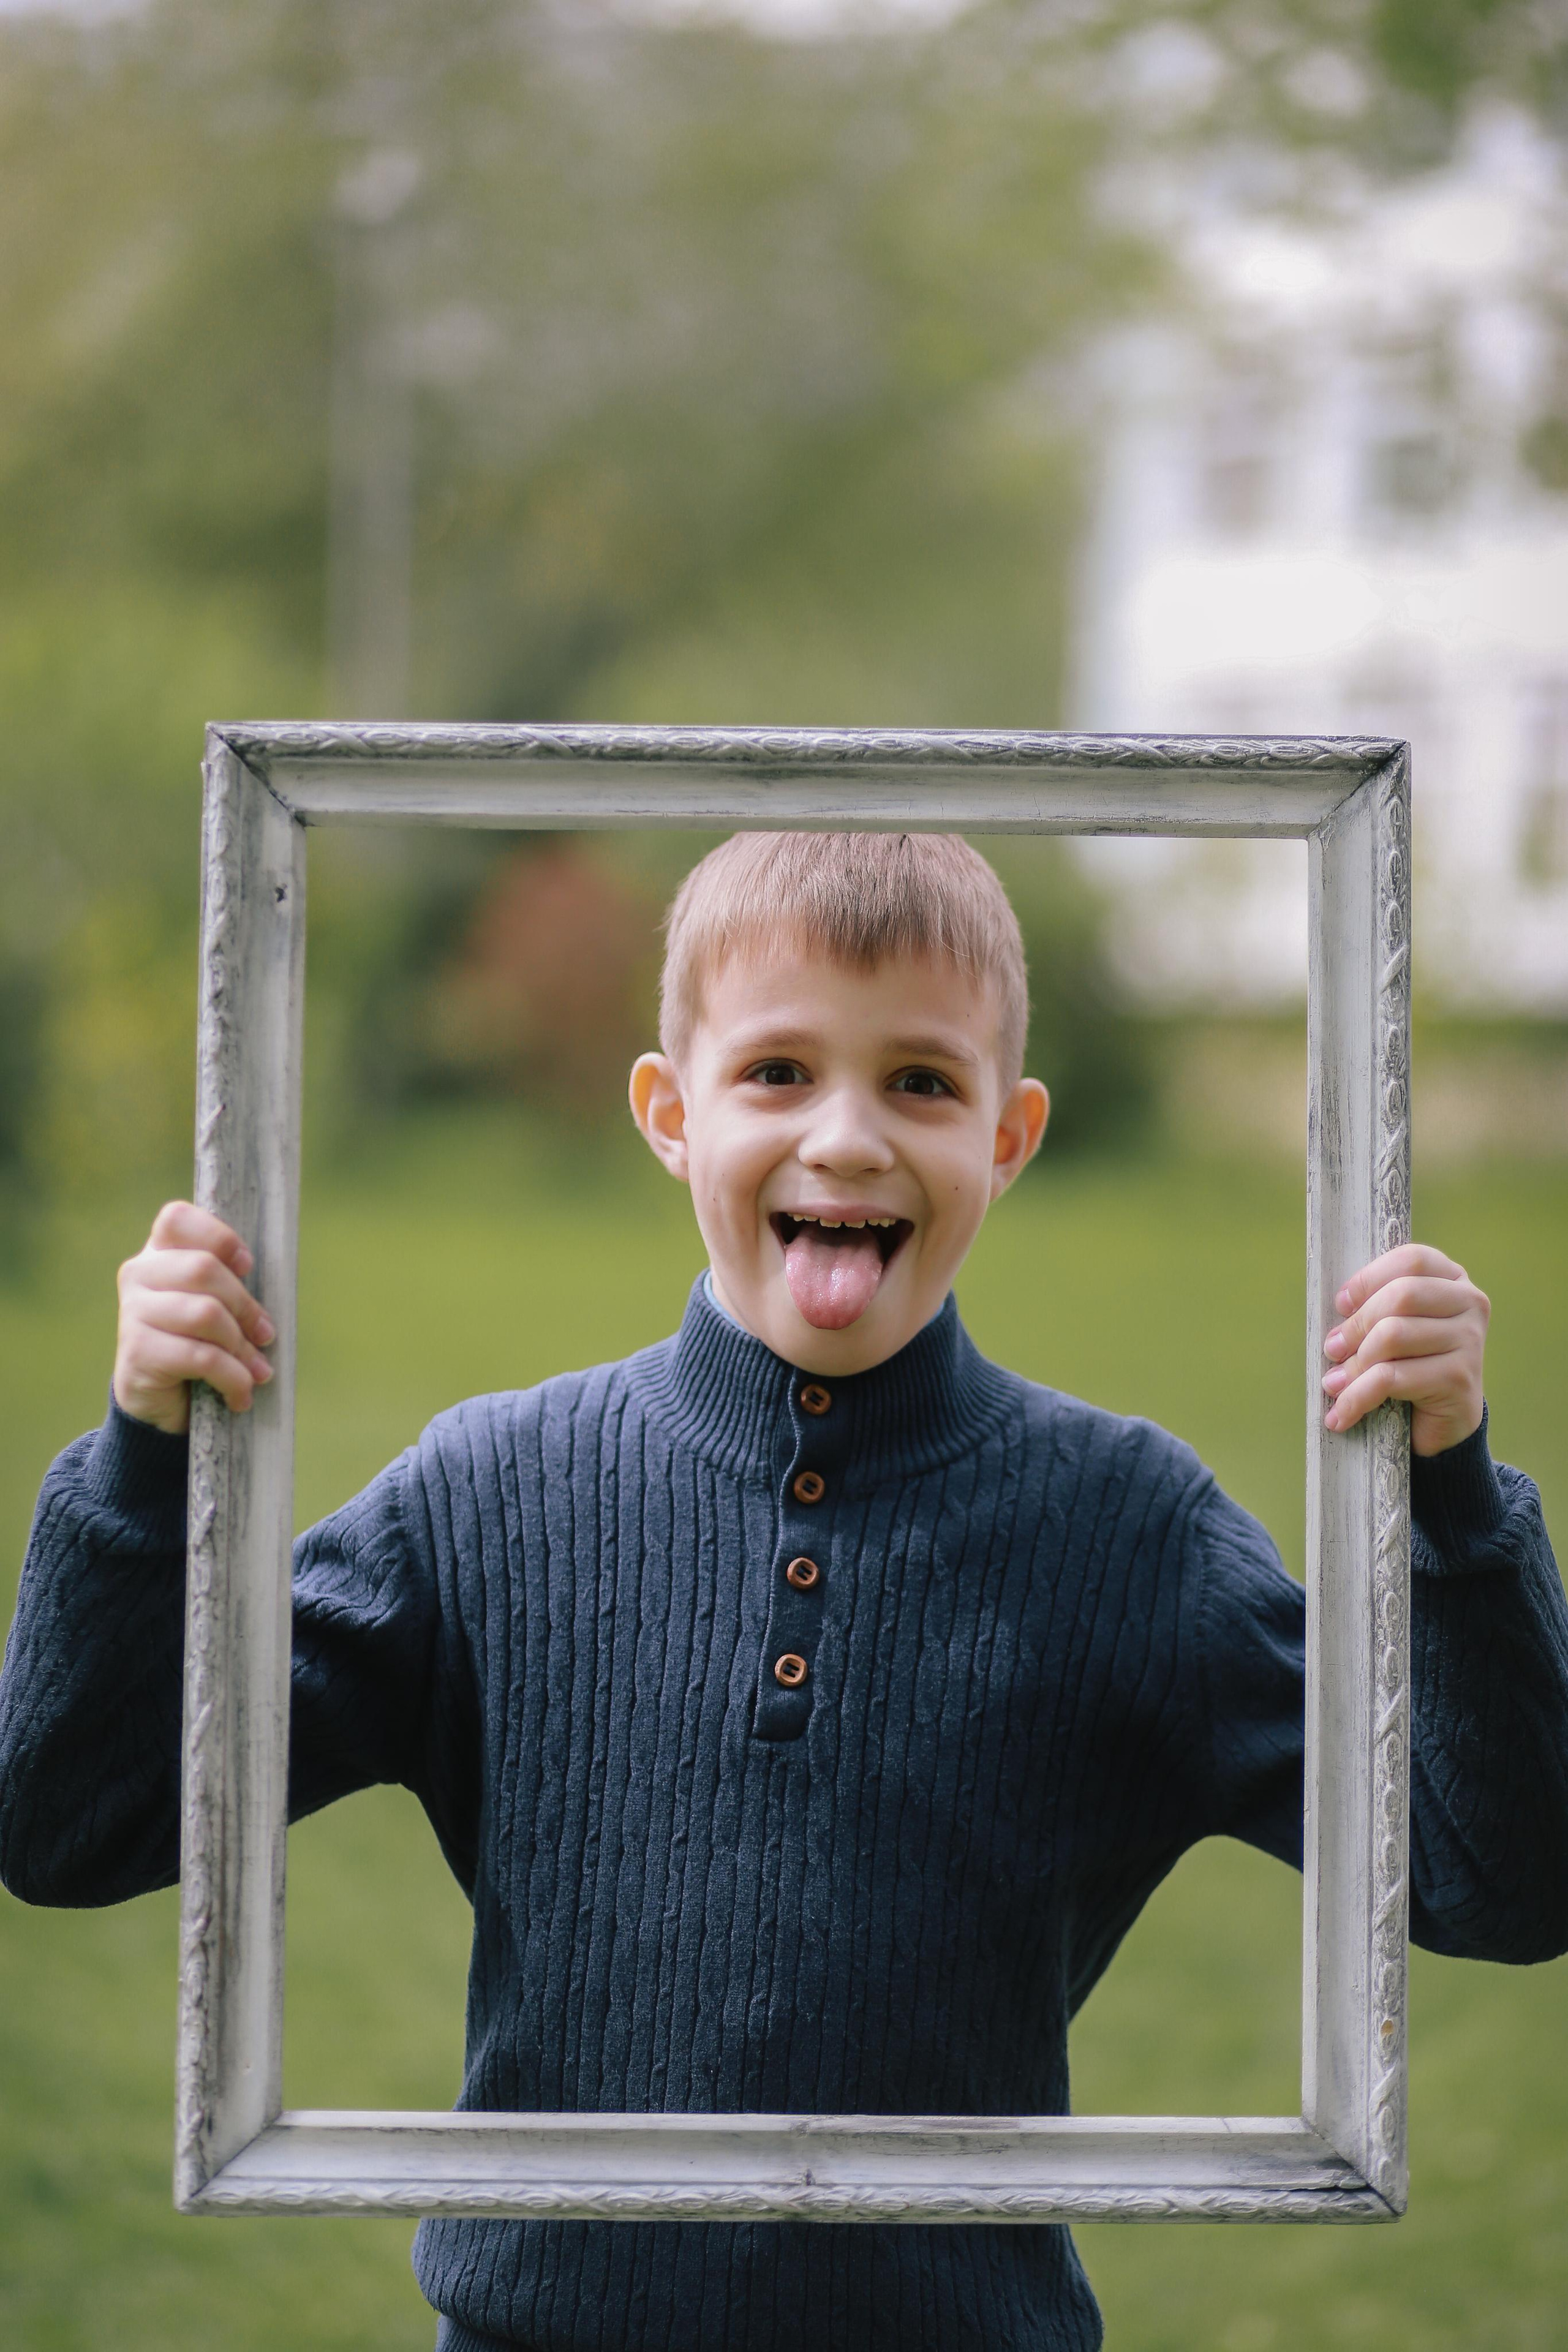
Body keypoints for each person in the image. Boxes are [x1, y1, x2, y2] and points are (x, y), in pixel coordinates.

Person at [2, 831, 1565, 2352]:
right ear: (668, 1111)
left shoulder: (1129, 1530)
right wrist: (147, 1457)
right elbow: (76, 1822)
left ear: (1006, 1138)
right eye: (775, 1072)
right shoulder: (489, 1492)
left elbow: (1502, 1879)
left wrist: (1447, 1493)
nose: (845, 1138)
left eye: (921, 1083)